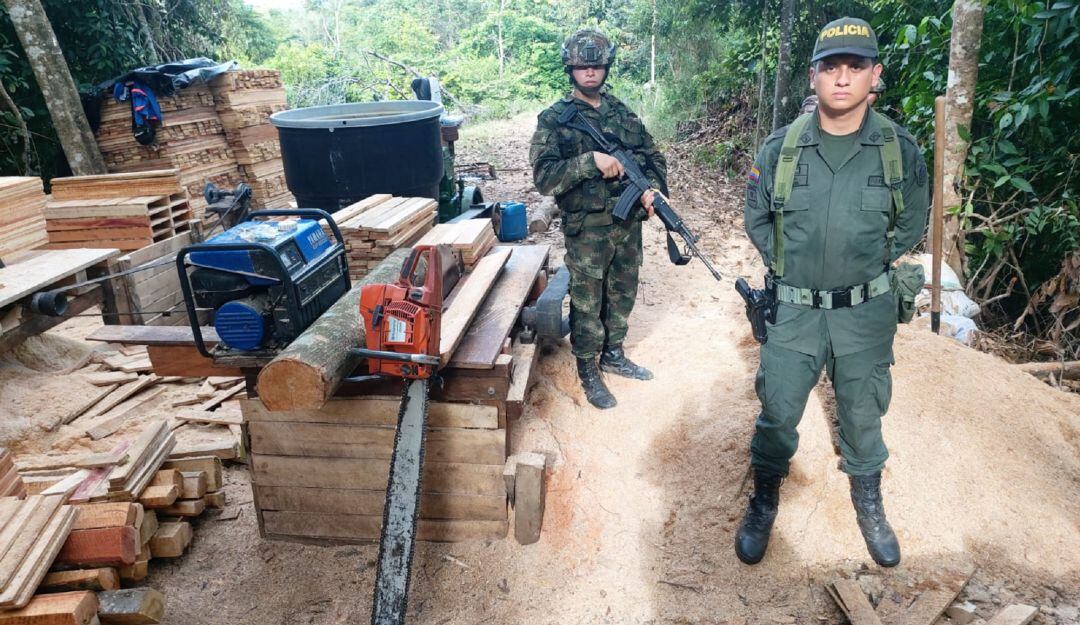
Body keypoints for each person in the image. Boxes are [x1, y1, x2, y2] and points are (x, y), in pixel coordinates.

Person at [738, 17, 929, 567]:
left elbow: (911, 222)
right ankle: (765, 497)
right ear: (814, 75)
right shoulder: (781, 150)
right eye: (831, 67)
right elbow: (758, 220)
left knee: (864, 410)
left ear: (875, 76)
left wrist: (864, 271)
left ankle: (868, 499)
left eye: (855, 66)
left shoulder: (898, 151)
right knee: (778, 411)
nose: (842, 78)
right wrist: (793, 272)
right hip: (794, 310)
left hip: (865, 311)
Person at [529, 29, 668, 410]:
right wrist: (589, 162)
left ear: (606, 67)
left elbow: (653, 157)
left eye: (596, 65)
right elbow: (544, 176)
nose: (590, 72)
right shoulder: (556, 119)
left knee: (623, 290)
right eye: (582, 66)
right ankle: (588, 364)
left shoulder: (622, 113)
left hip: (627, 224)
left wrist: (653, 190)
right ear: (570, 69)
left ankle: (614, 352)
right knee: (588, 298)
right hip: (587, 228)